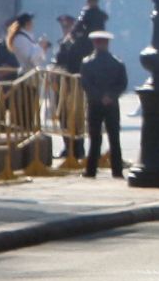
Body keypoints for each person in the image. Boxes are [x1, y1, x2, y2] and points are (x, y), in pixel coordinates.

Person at [79, 30, 129, 179]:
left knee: (95, 138)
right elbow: (122, 84)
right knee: (114, 137)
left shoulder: (87, 63)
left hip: (95, 104)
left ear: (94, 43)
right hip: (112, 104)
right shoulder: (117, 62)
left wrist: (100, 96)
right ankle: (117, 170)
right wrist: (110, 96)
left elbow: (86, 84)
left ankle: (91, 170)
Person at [51, 15, 86, 161]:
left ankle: (77, 147)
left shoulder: (78, 44)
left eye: (67, 27)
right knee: (64, 116)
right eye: (63, 27)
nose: (65, 30)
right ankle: (68, 146)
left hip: (73, 85)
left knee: (76, 116)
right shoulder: (63, 43)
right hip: (62, 84)